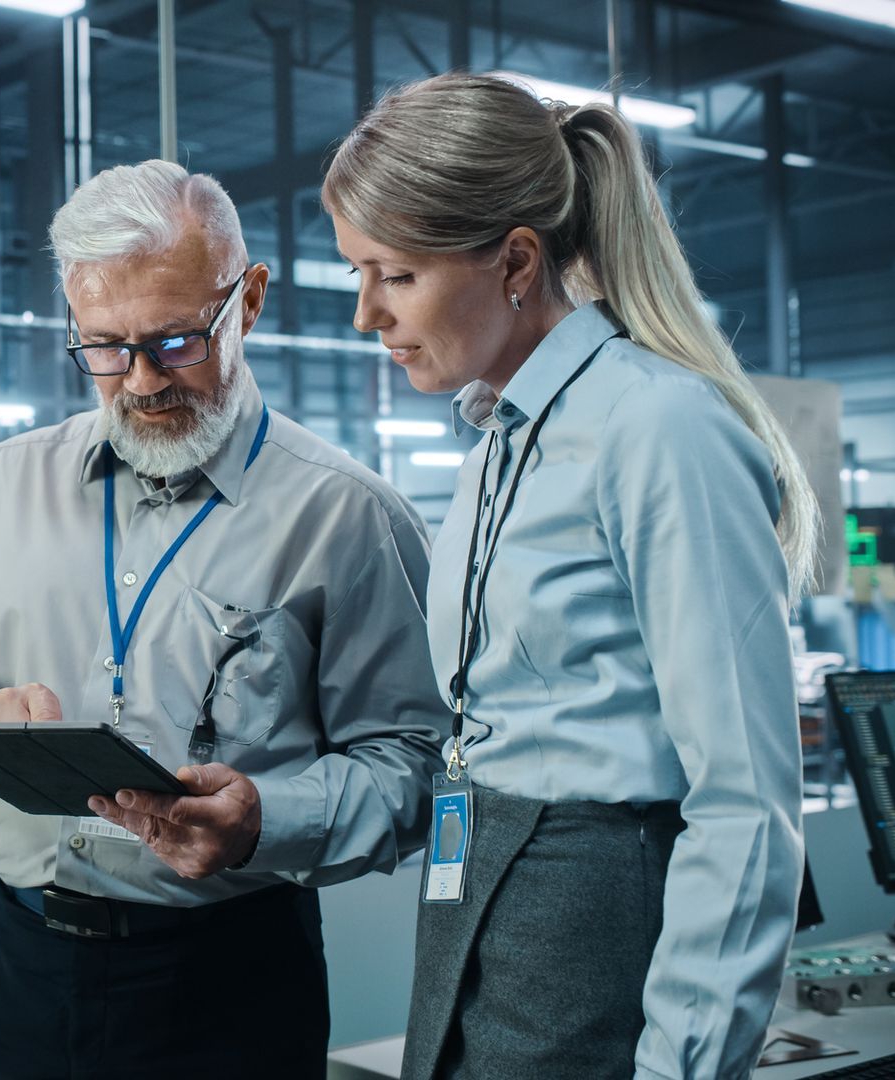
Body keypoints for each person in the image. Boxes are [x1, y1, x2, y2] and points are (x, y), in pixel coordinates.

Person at [0, 159, 447, 1079]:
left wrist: (266, 821)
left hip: (230, 980)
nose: (139, 381)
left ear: (246, 303)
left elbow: (418, 766)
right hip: (14, 967)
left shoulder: (348, 518)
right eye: (103, 346)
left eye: (176, 342)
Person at [321, 72, 812, 1079]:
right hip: (481, 901)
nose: (367, 314)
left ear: (514, 261)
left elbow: (746, 804)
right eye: (357, 273)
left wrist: (685, 1066)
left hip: (595, 919)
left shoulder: (657, 429)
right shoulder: (495, 447)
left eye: (396, 275)